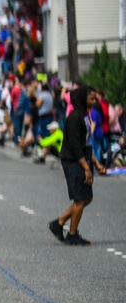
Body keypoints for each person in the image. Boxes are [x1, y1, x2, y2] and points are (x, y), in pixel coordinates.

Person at [50, 85, 106, 246]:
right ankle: (72, 234)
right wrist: (86, 168)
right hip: (72, 161)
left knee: (86, 198)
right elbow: (75, 146)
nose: (95, 101)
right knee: (80, 198)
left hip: (80, 160)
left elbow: (86, 145)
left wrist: (96, 163)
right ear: (83, 99)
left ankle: (59, 223)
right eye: (92, 98)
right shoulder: (74, 118)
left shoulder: (85, 117)